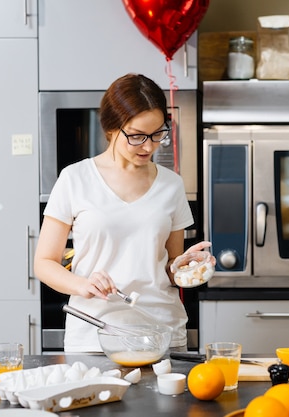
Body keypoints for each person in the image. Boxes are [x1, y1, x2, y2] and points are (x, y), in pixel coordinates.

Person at [34, 73, 212, 352]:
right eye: (137, 135)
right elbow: (44, 262)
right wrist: (81, 285)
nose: (149, 146)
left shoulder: (172, 184)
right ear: (111, 129)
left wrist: (187, 266)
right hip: (95, 333)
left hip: (161, 331)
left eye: (157, 134)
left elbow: (170, 265)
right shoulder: (75, 179)